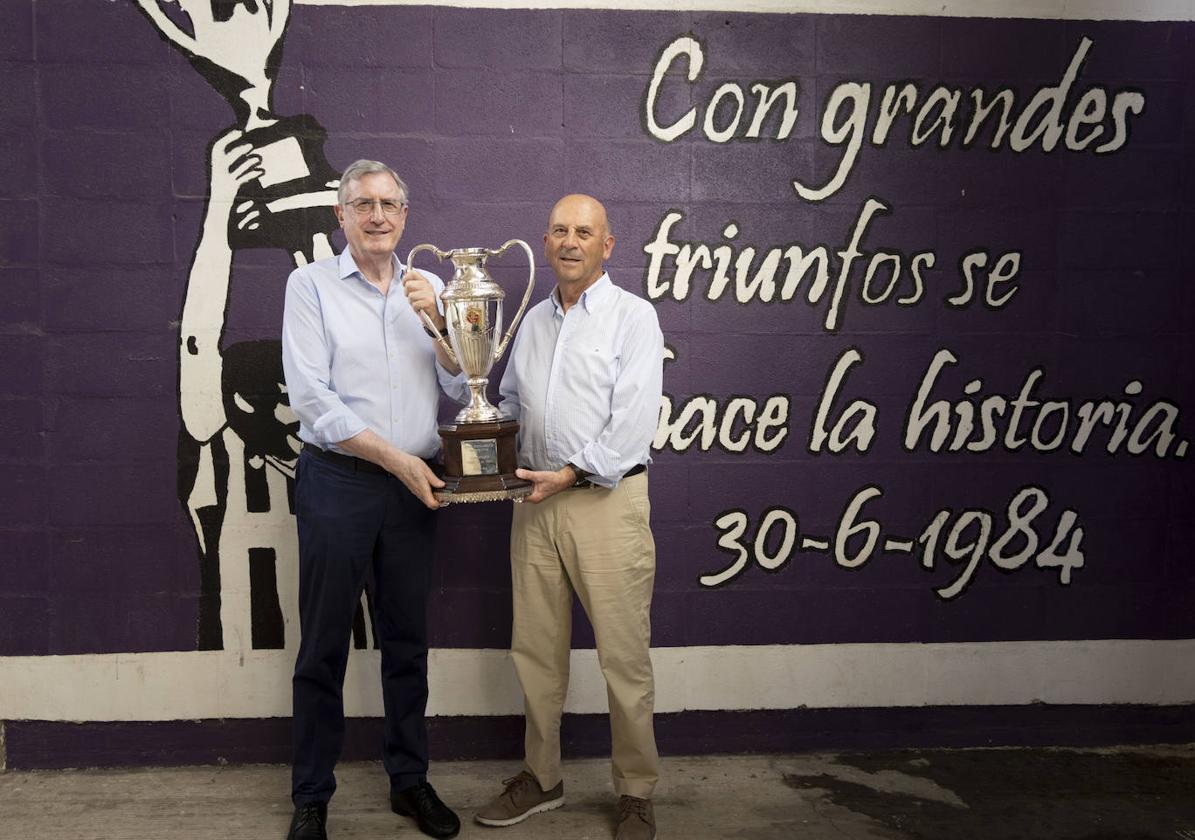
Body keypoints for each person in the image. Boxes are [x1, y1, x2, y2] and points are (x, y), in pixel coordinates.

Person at [280, 159, 467, 840]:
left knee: (406, 641)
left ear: (406, 215)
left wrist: (439, 323)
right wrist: (394, 459)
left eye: (389, 203)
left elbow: (459, 387)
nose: (378, 216)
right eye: (363, 204)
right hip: (341, 480)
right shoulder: (310, 286)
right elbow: (311, 399)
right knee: (324, 644)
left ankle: (409, 781)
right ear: (341, 215)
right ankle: (311, 795)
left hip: (416, 486)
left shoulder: (431, 288)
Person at [479, 195, 664, 840]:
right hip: (534, 508)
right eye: (559, 230)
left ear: (607, 246)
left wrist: (571, 473)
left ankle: (636, 792)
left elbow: (633, 425)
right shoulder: (531, 323)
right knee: (535, 653)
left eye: (584, 232)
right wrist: (483, 453)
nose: (570, 241)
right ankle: (542, 776)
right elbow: (504, 402)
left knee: (624, 659)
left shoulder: (633, 319)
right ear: (547, 239)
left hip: (606, 505)